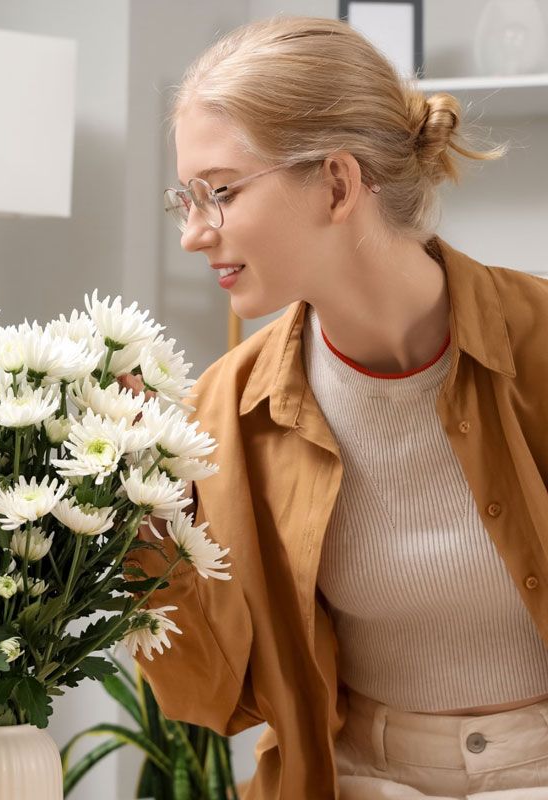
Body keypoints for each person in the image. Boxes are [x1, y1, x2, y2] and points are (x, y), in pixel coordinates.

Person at [121, 14, 548, 800]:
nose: (193, 234)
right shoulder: (224, 412)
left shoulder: (540, 347)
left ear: (338, 183)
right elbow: (215, 695)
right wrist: (136, 515)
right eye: (184, 199)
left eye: (218, 193)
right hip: (352, 781)